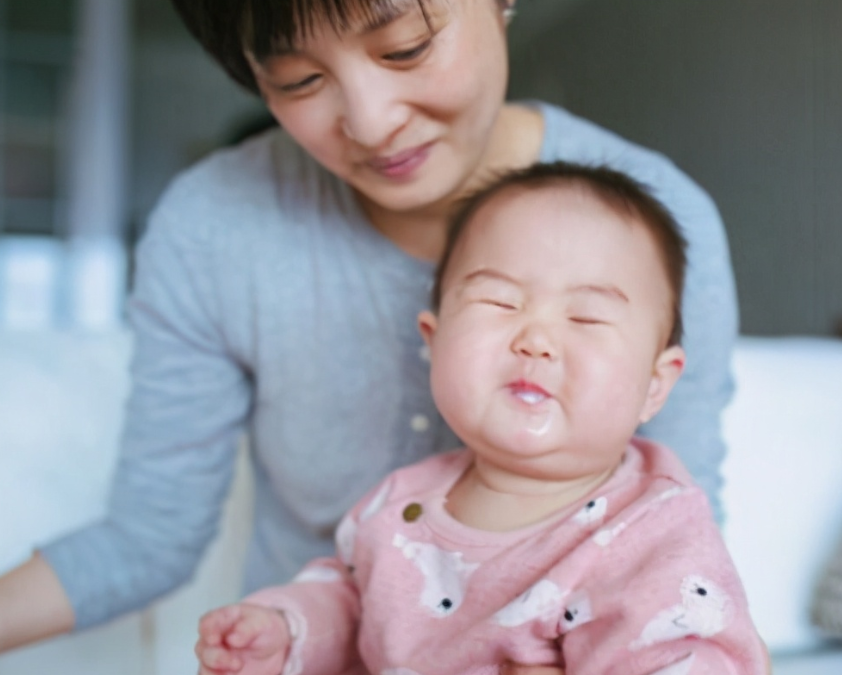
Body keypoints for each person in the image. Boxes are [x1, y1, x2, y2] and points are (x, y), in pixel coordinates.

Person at [0, 0, 738, 656]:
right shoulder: (212, 229)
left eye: (404, 48)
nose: (372, 120)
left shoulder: (656, 229)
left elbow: (674, 567)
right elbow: (148, 536)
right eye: (297, 80)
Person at [196, 162, 765, 675]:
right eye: (500, 303)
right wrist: (285, 631)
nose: (536, 339)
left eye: (587, 318)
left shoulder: (652, 533)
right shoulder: (400, 503)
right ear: (434, 341)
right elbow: (352, 602)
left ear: (655, 384)